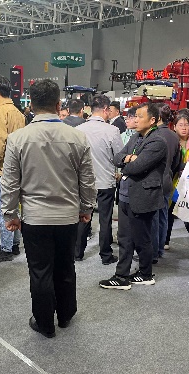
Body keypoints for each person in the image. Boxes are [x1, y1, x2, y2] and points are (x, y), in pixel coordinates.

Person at [1, 79, 97, 338]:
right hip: (68, 217)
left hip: (35, 218)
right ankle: (65, 315)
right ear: (58, 105)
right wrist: (87, 207)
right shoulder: (77, 137)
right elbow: (87, 180)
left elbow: (10, 182)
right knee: (65, 267)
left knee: (40, 271)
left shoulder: (18, 139)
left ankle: (44, 323)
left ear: (31, 105)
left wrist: (10, 213)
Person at [99, 103, 168, 290]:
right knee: (125, 238)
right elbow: (117, 158)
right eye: (134, 116)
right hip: (125, 194)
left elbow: (135, 168)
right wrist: (129, 158)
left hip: (142, 196)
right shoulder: (136, 137)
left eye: (139, 116)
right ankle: (121, 275)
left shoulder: (157, 142)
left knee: (141, 239)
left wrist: (127, 162)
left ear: (152, 120)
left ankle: (145, 273)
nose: (135, 120)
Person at [75, 95, 124, 264]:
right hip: (105, 181)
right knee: (105, 219)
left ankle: (78, 252)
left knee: (83, 217)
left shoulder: (79, 130)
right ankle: (105, 254)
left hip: (84, 182)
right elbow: (119, 157)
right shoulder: (112, 131)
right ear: (105, 109)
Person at [0, 75, 26, 262]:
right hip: (16, 168)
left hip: (1, 169)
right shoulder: (18, 112)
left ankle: (6, 248)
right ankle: (14, 244)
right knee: (12, 208)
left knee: (2, 210)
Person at [165, 110, 189, 254]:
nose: (184, 128)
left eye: (186, 125)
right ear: (174, 127)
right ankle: (165, 241)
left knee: (188, 215)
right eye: (180, 125)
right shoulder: (171, 142)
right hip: (173, 183)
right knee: (168, 213)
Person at [153, 104, 179, 260]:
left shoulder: (152, 134)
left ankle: (153, 251)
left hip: (152, 181)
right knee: (163, 216)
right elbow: (176, 163)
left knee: (152, 218)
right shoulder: (174, 136)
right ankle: (160, 249)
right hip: (167, 179)